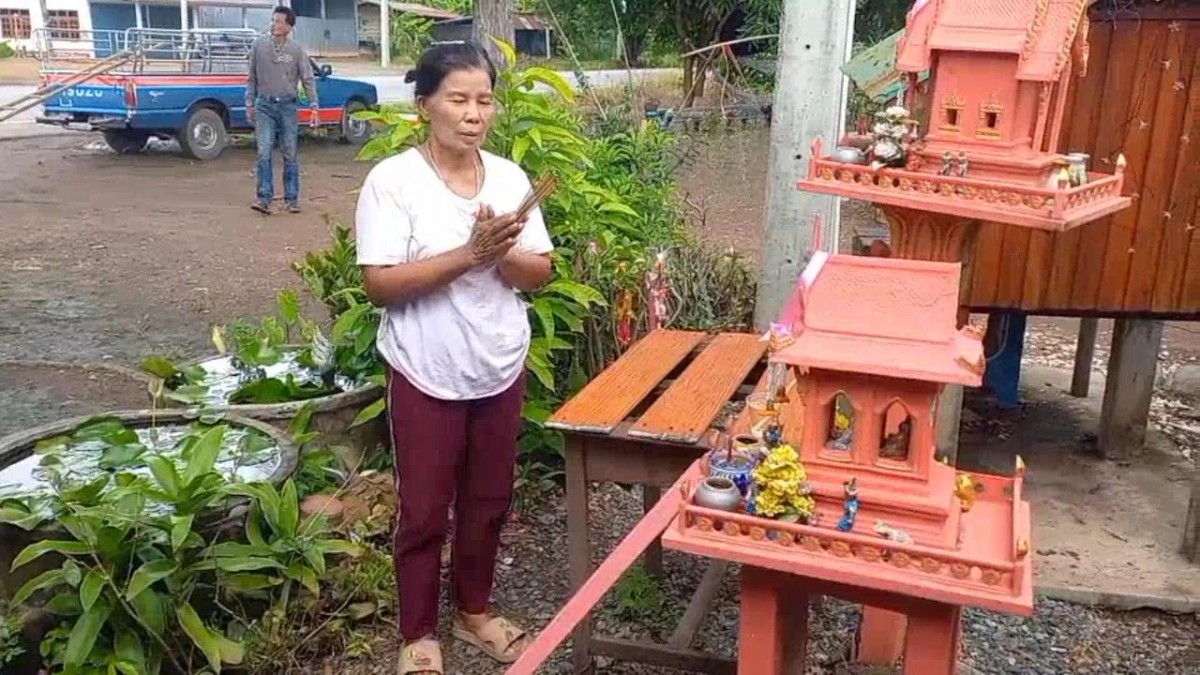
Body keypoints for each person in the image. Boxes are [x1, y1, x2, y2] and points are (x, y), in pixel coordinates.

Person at [354, 42, 554, 674]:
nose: (474, 114)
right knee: (423, 508)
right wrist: (468, 255)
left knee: (489, 497)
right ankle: (418, 633)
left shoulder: (512, 179)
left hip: (498, 361)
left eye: (485, 100)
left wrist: (500, 257)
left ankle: (474, 610)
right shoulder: (394, 181)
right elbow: (380, 284)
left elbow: (539, 272)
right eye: (458, 99)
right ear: (424, 107)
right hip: (424, 367)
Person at [246, 5, 318, 215]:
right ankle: (264, 198)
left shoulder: (296, 50)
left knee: (290, 152)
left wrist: (314, 105)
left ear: (289, 26)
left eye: (279, 21)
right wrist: (249, 102)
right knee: (263, 152)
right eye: (273, 20)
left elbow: (308, 79)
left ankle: (292, 199)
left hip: (287, 106)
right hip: (264, 106)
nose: (274, 25)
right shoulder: (258, 46)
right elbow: (251, 77)